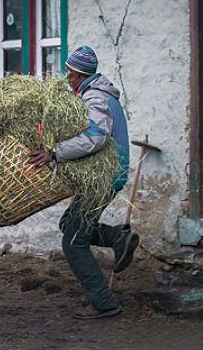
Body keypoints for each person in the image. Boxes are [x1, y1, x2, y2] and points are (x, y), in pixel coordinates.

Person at [27, 46, 138, 320]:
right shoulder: (95, 93)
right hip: (103, 178)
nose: (67, 77)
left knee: (73, 242)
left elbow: (96, 137)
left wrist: (55, 152)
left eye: (69, 72)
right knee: (69, 225)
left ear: (78, 74)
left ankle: (105, 304)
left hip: (104, 179)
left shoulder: (96, 96)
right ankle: (118, 238)